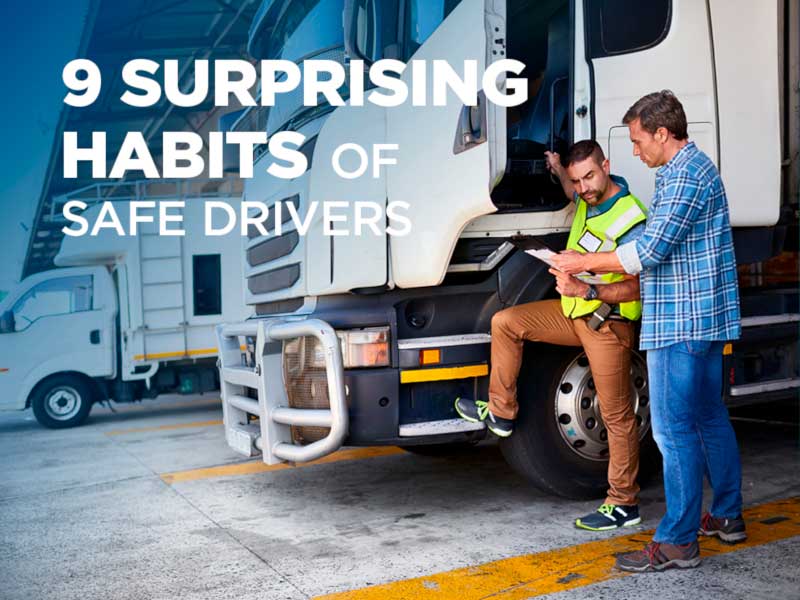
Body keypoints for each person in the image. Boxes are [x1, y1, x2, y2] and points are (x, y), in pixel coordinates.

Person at [552, 91, 745, 572]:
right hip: (700, 319)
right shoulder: (691, 171)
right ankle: (726, 515)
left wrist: (582, 261)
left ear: (663, 133)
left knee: (672, 430)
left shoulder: (683, 176)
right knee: (707, 416)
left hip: (680, 322)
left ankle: (678, 541)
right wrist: (590, 284)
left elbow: (648, 252)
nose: (635, 152)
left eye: (639, 141)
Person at [456, 139, 649, 531]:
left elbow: (640, 287)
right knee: (506, 323)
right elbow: (569, 188)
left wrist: (589, 289)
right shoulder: (584, 197)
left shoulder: (630, 218)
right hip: (575, 314)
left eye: (590, 177)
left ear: (607, 166)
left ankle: (623, 503)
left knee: (616, 416)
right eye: (578, 181)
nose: (583, 189)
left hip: (607, 324)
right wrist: (559, 168)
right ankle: (502, 413)